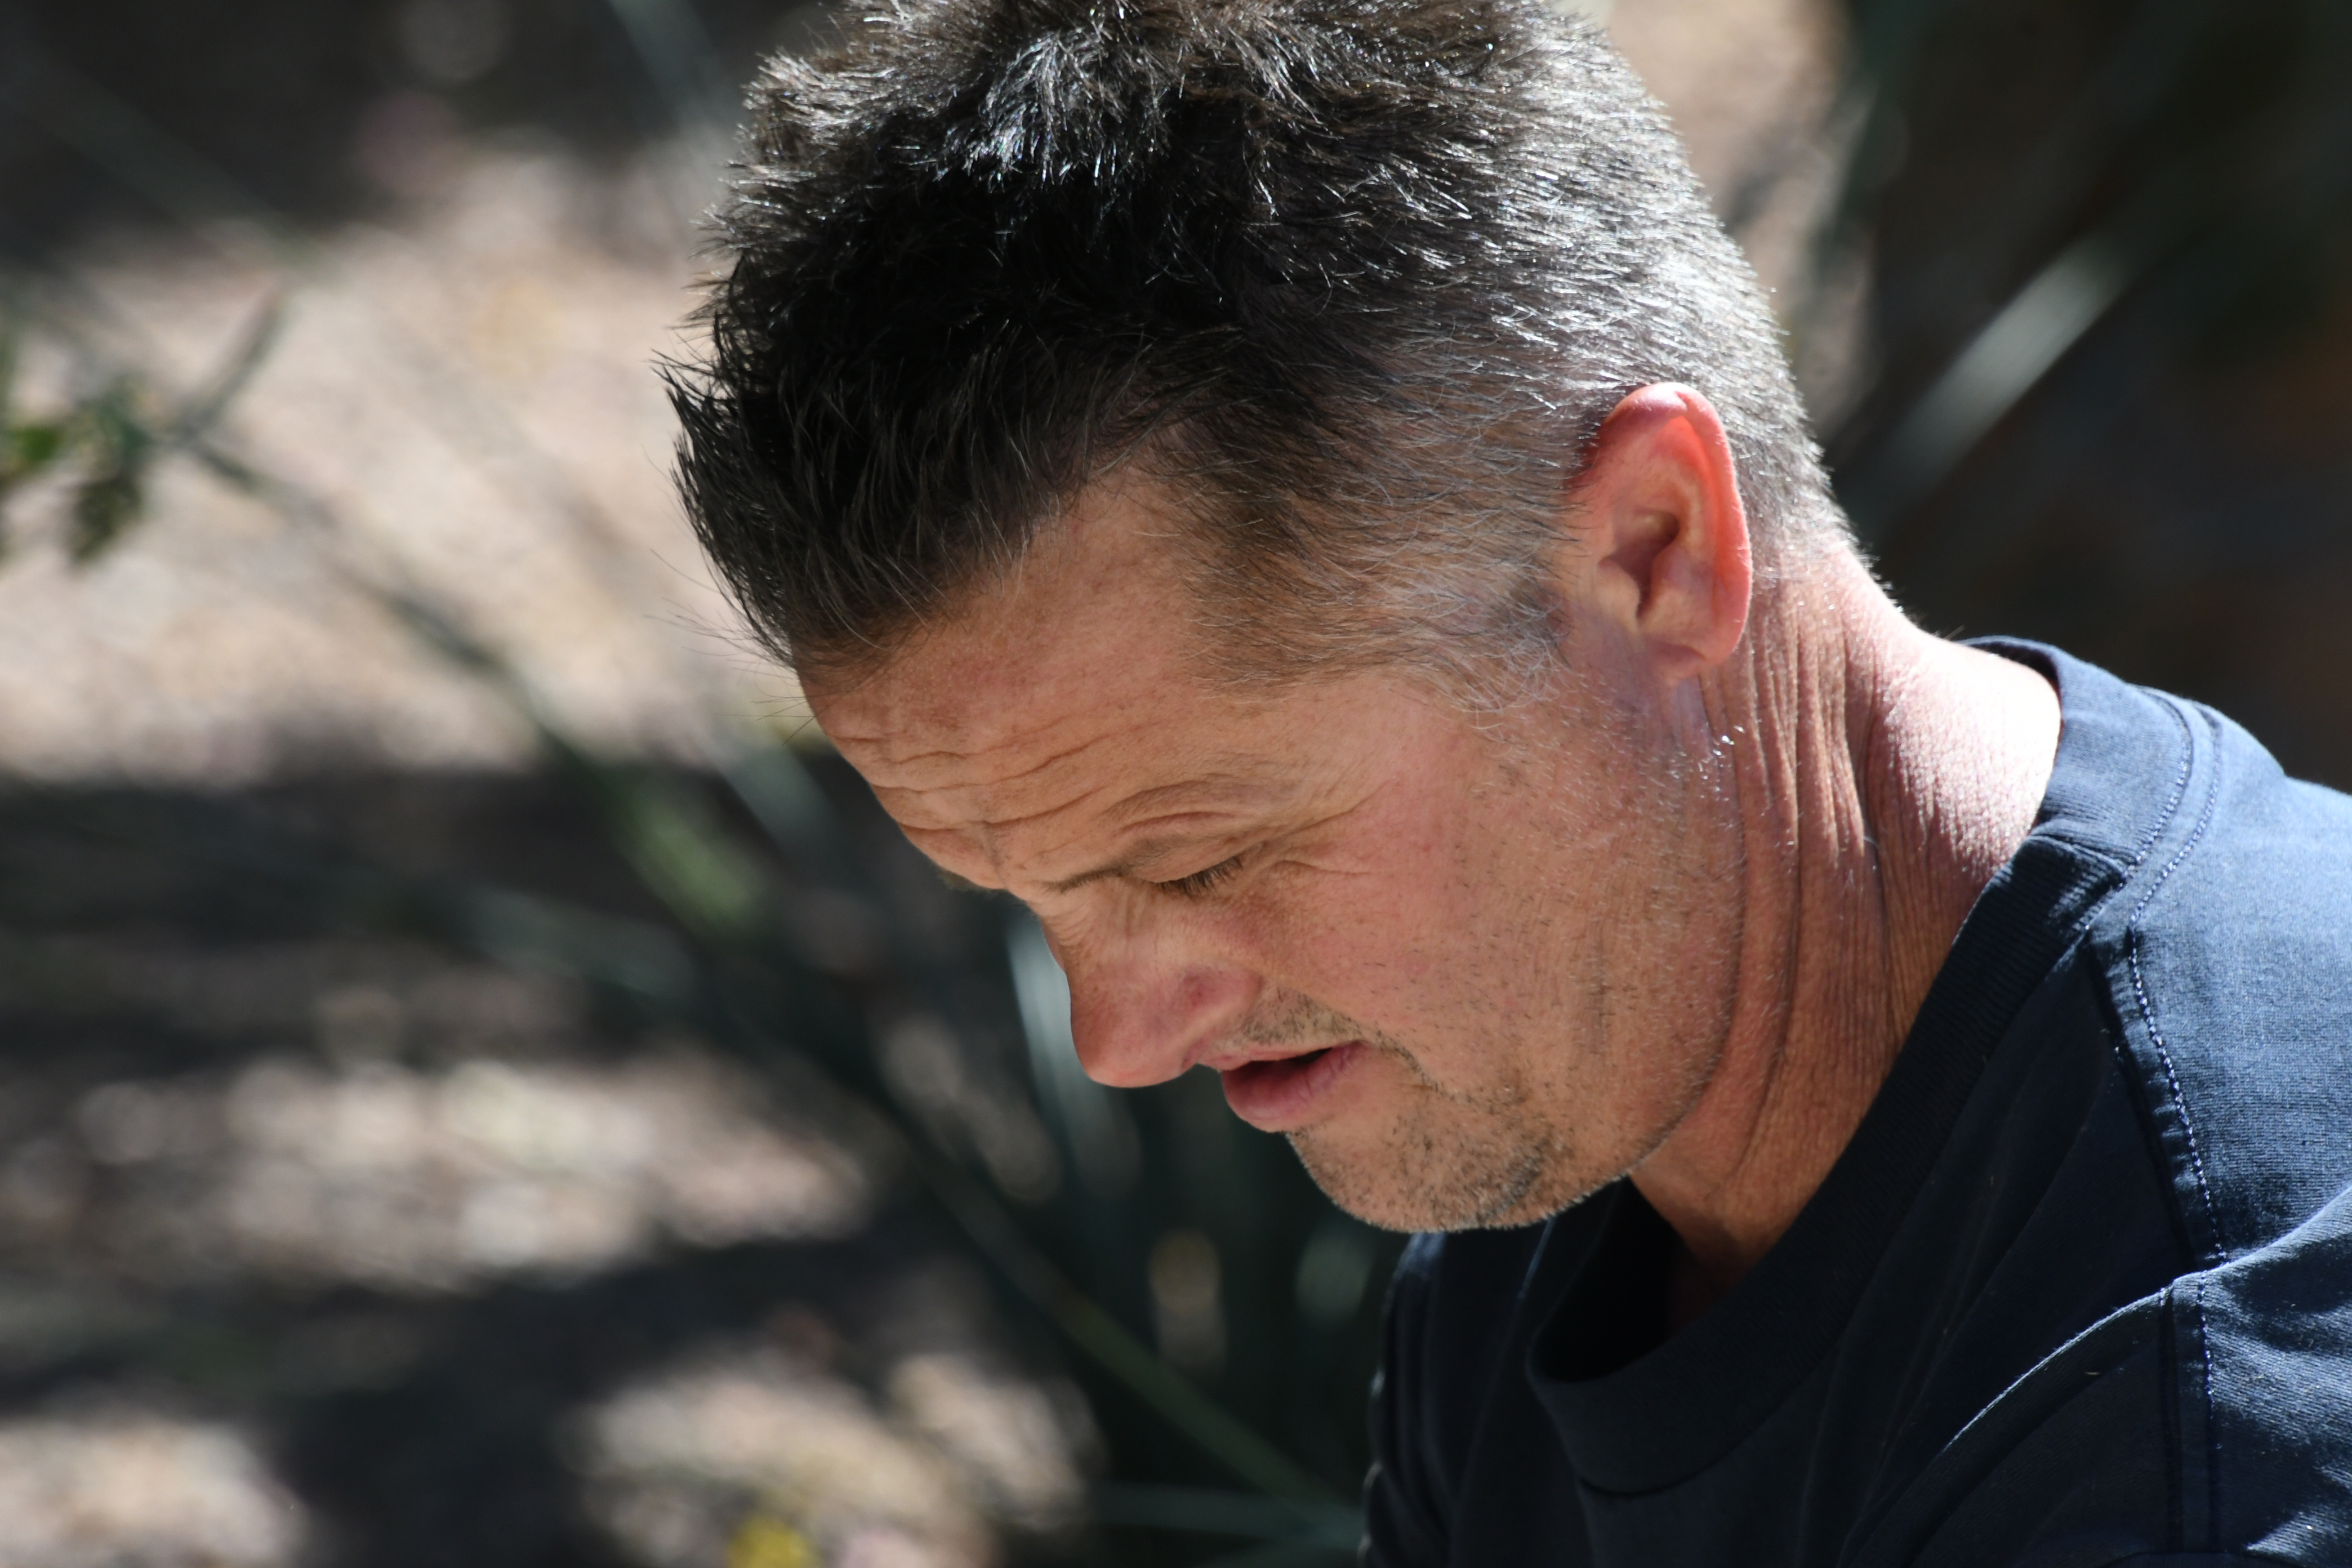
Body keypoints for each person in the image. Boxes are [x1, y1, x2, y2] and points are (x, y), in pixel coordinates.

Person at [665, 0, 2352, 1561]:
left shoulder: (2211, 1396)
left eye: (1198, 862)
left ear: (1657, 548)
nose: (1119, 1040)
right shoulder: (1582, 1112)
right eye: (1027, 898)